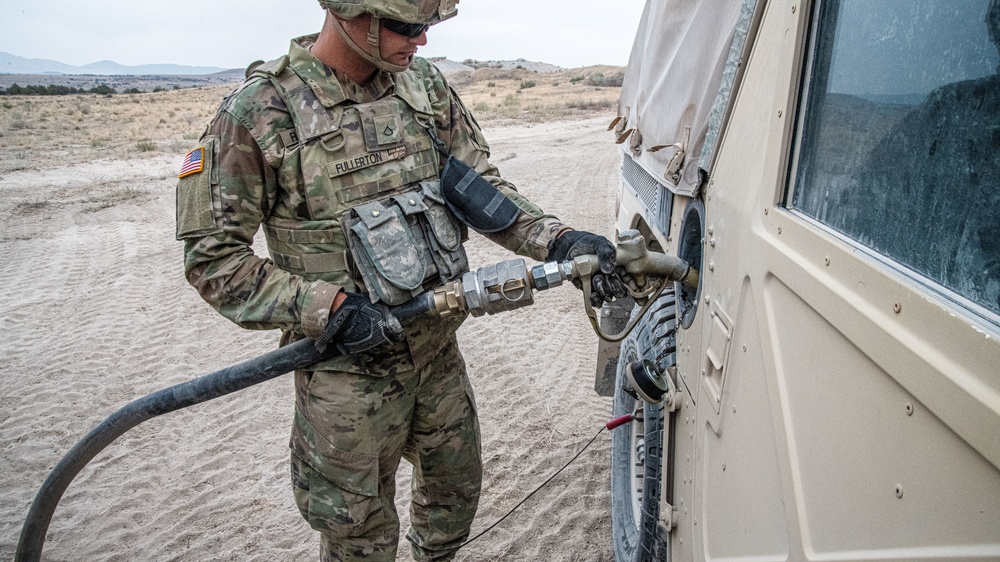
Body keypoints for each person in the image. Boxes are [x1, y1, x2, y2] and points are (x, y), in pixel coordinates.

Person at [175, 1, 626, 560]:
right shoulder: (261, 113)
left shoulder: (423, 88)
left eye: (427, 28)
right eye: (408, 27)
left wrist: (557, 240)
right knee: (358, 535)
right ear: (351, 14)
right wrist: (328, 307)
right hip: (346, 378)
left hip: (436, 356)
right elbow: (214, 258)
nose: (423, 42)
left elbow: (478, 186)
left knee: (454, 500)